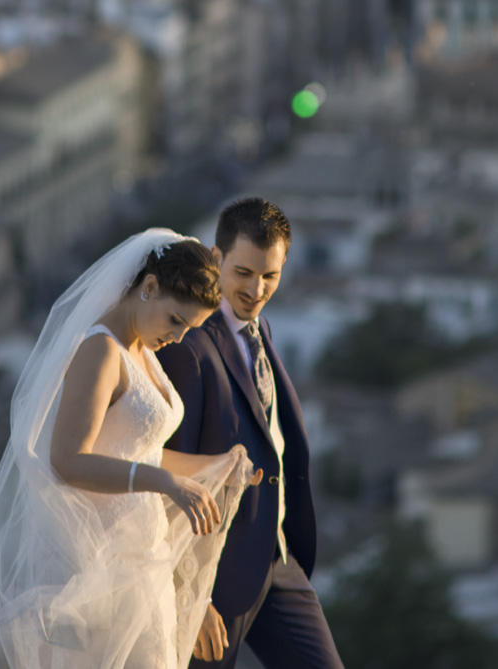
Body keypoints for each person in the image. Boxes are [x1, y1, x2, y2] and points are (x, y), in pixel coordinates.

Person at [0, 228, 261, 669]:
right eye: (176, 321)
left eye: (190, 329)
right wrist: (163, 483)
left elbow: (137, 453)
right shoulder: (100, 351)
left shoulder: (143, 351)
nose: (179, 339)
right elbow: (66, 460)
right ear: (149, 287)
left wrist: (218, 465)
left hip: (146, 561)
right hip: (101, 566)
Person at [159, 198, 343, 669]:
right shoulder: (189, 344)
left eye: (270, 276)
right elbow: (166, 476)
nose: (256, 289)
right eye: (243, 272)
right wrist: (189, 597)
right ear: (216, 258)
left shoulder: (262, 331)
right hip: (213, 574)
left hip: (278, 559)